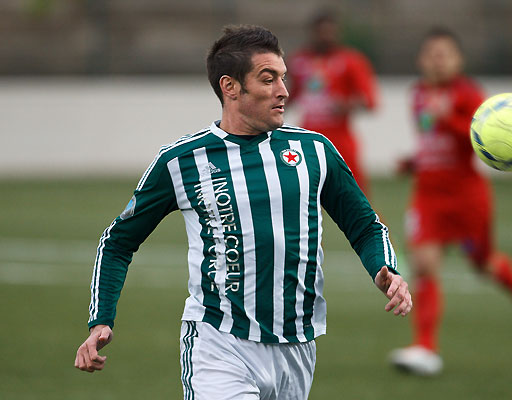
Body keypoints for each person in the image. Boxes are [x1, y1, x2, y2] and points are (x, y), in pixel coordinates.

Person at [74, 25, 412, 399]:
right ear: (230, 87)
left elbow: (364, 225)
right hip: (219, 342)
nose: (284, 91)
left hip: (298, 346)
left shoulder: (314, 150)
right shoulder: (182, 160)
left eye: (284, 78)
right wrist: (101, 319)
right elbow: (118, 241)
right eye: (268, 79)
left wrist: (385, 269)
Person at [388, 27, 512, 376]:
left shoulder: (468, 94)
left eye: (444, 53)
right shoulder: (417, 94)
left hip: (466, 196)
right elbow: (430, 143)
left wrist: (449, 117)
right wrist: (414, 162)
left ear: (458, 60)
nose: (437, 60)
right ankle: (426, 349)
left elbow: (482, 144)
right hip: (428, 195)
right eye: (431, 53)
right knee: (424, 264)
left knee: (483, 264)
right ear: (421, 59)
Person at [287, 10, 378, 194]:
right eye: (321, 32)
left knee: (357, 197)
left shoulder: (351, 60)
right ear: (312, 33)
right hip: (306, 138)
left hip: (340, 140)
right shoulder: (298, 61)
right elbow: (290, 96)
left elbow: (369, 101)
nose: (326, 37)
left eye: (330, 32)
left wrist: (346, 105)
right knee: (301, 195)